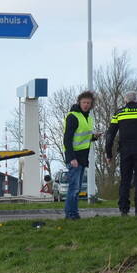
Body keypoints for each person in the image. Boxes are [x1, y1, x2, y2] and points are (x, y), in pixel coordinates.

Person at [105, 92, 137, 220]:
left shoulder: (119, 113)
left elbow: (110, 135)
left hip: (125, 151)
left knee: (125, 180)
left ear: (125, 101)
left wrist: (108, 153)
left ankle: (124, 210)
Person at [62, 90, 98, 220]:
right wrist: (71, 158)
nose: (86, 105)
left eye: (88, 103)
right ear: (79, 102)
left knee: (76, 189)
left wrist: (93, 137)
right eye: (84, 102)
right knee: (74, 188)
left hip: (82, 157)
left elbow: (83, 137)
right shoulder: (73, 116)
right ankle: (71, 214)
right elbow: (67, 139)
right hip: (75, 157)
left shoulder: (87, 117)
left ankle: (73, 213)